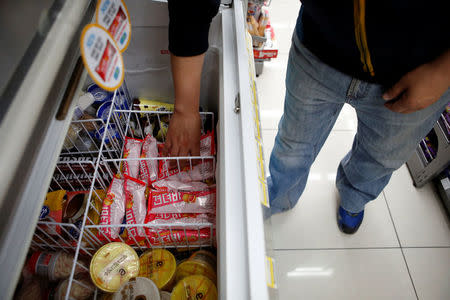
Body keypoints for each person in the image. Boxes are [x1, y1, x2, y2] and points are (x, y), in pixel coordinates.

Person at [167, 1, 450, 234]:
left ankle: (354, 197)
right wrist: (185, 108)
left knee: (381, 157)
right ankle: (281, 195)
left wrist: (443, 71)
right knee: (294, 144)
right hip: (319, 48)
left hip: (418, 72)